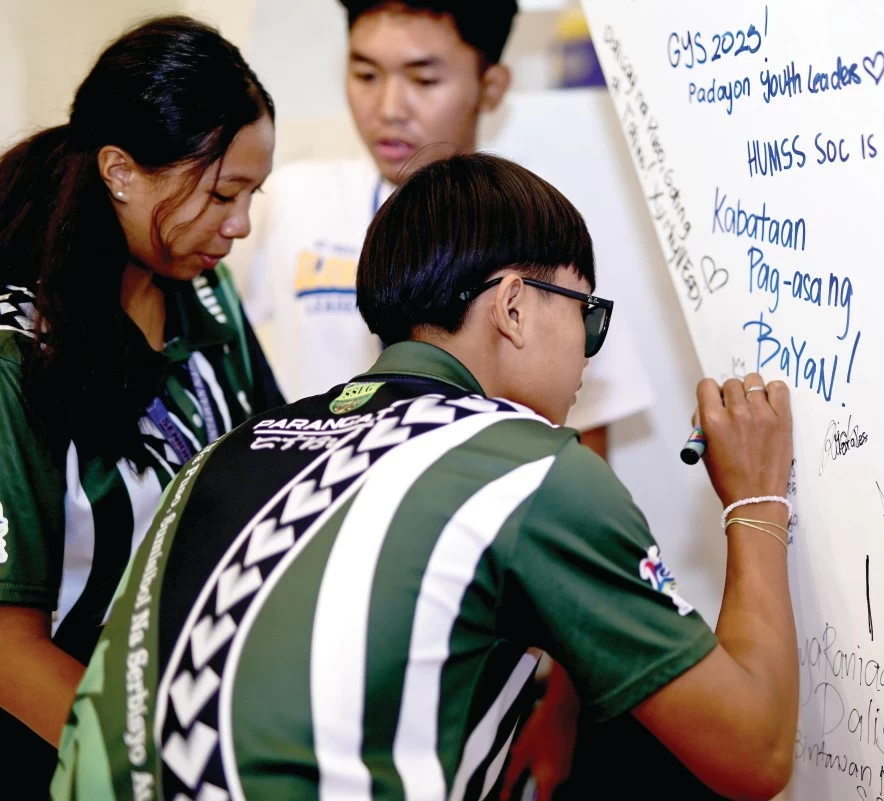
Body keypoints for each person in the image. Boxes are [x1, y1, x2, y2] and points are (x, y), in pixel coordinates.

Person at [51, 154, 798, 801]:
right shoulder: (526, 463)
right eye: (587, 316)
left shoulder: (230, 450)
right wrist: (757, 497)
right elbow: (752, 751)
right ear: (512, 306)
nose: (588, 354)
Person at [0, 16, 282, 795]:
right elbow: (6, 647)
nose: (241, 225)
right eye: (224, 193)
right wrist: (160, 767)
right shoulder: (17, 354)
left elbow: (272, 458)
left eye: (254, 195)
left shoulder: (205, 295)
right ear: (120, 170)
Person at [234, 0, 653, 459]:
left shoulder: (547, 239)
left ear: (491, 86)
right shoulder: (288, 199)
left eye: (425, 80)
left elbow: (583, 444)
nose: (390, 109)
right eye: (366, 76)